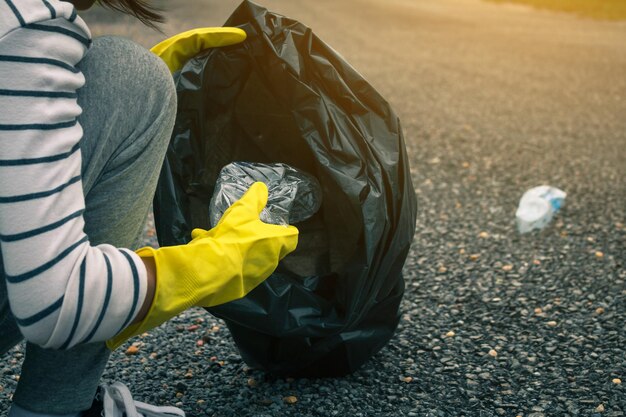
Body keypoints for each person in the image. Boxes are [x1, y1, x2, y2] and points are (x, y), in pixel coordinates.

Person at [0, 0, 299, 416]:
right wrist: (211, 265)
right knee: (132, 75)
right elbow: (56, 304)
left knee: (126, 81)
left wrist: (120, 105)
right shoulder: (22, 27)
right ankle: (55, 410)